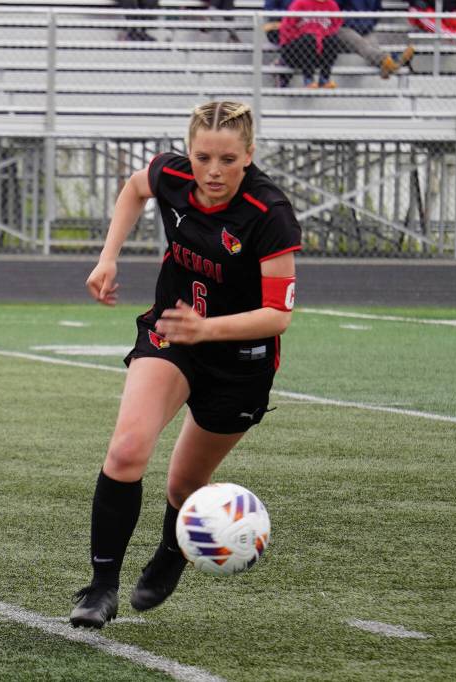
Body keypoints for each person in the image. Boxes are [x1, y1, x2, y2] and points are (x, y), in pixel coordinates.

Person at [68, 101, 301, 629]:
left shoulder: (268, 212)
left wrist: (210, 329)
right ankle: (101, 585)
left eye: (227, 159)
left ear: (250, 155)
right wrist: (108, 256)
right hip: (172, 334)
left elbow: (278, 316)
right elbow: (133, 188)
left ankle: (172, 552)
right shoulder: (172, 173)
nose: (213, 171)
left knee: (184, 486)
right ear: (188, 152)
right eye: (203, 157)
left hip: (241, 360)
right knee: (127, 450)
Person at [338, 0, 415, 78]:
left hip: (365, 30)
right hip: (344, 29)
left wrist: (368, 24)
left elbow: (377, 11)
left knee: (372, 46)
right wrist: (349, 22)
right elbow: (334, 8)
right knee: (363, 45)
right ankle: (390, 60)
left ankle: (388, 66)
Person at [279, 0, 346, 88]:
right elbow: (287, 28)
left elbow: (336, 26)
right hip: (296, 51)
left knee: (332, 40)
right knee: (309, 39)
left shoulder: (332, 5)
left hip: (317, 52)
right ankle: (308, 79)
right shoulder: (300, 3)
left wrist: (320, 38)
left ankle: (324, 78)